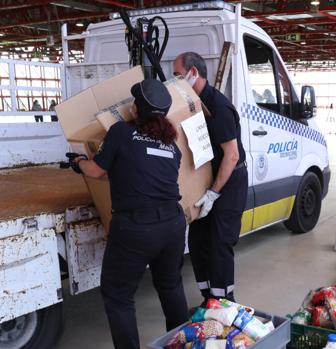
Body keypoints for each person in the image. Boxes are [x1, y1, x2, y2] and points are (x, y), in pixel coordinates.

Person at [66, 79, 189, 349]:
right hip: (173, 224)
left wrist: (78, 163)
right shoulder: (171, 145)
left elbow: (97, 171)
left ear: (135, 110)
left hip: (136, 227)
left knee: (119, 295)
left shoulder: (122, 132)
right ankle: (183, 345)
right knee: (170, 286)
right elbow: (144, 170)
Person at [173, 52, 248, 303]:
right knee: (198, 241)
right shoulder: (192, 103)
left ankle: (225, 302)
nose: (176, 80)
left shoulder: (219, 107)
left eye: (178, 74)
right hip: (207, 177)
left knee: (219, 243)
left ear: (193, 72)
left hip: (228, 181)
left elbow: (232, 155)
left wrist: (214, 193)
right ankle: (208, 299)